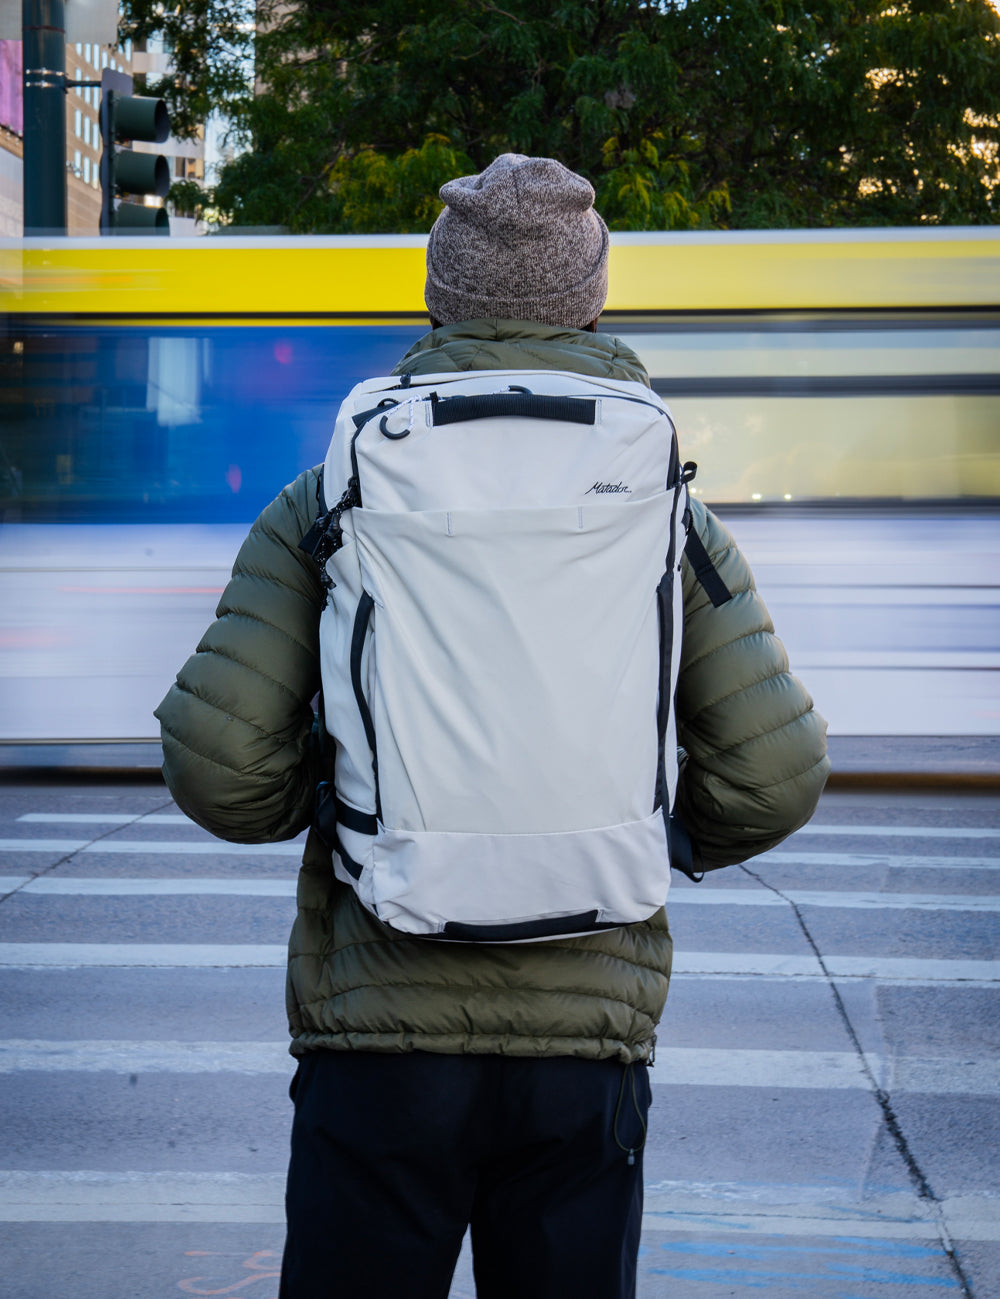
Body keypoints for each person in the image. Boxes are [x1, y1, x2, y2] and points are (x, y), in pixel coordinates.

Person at [155, 153, 829, 1299]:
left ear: (437, 303)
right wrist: (645, 834)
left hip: (378, 1038)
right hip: (585, 1047)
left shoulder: (329, 495)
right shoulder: (670, 512)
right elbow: (777, 771)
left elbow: (216, 762)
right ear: (591, 305)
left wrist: (350, 797)